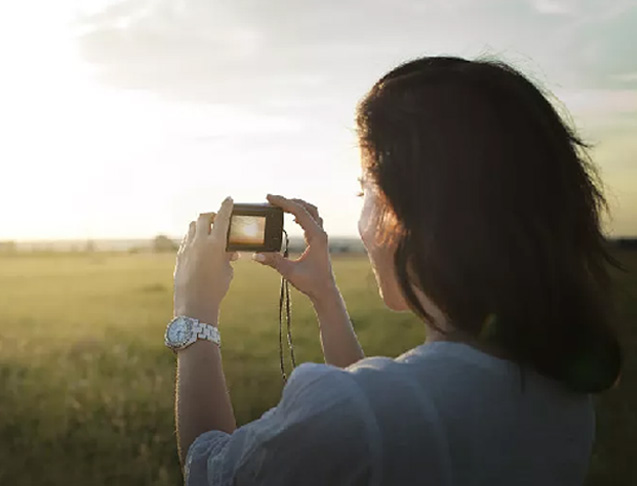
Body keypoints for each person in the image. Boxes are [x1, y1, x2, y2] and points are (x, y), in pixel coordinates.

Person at [170, 56, 623, 486]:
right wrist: (326, 297)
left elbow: (210, 469)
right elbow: (388, 432)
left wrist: (195, 315)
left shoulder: (357, 412)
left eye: (363, 190)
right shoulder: (563, 395)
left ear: (404, 213)